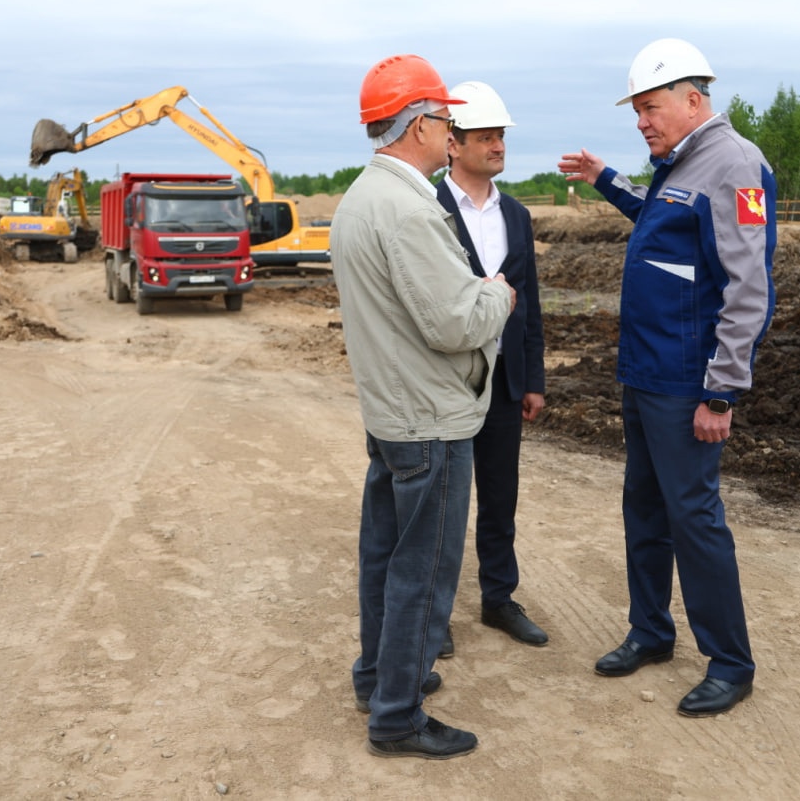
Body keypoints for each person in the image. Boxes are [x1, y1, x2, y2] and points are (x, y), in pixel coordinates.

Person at [558, 38, 776, 718]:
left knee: (694, 517)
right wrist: (604, 178)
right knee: (645, 508)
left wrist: (722, 389)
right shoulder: (677, 163)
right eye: (638, 111)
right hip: (645, 370)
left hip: (689, 381)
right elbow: (658, 217)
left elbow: (749, 288)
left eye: (651, 108)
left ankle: (730, 662)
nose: (643, 121)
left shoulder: (735, 164)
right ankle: (651, 630)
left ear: (693, 98)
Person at [331, 54, 515, 759]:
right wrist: (498, 293)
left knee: (384, 554)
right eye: (445, 119)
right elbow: (454, 323)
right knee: (425, 568)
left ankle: (379, 675)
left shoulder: (359, 198)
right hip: (430, 419)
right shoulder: (410, 208)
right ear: (417, 126)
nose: (452, 131)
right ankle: (398, 715)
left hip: (391, 412)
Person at [434, 81, 547, 655]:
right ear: (452, 144)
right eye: (484, 135)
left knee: (500, 496)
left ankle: (499, 598)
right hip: (447, 383)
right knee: (444, 499)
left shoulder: (518, 215)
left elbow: (527, 301)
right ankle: (434, 613)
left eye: (500, 134)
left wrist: (533, 381)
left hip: (504, 385)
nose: (497, 144)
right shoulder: (427, 210)